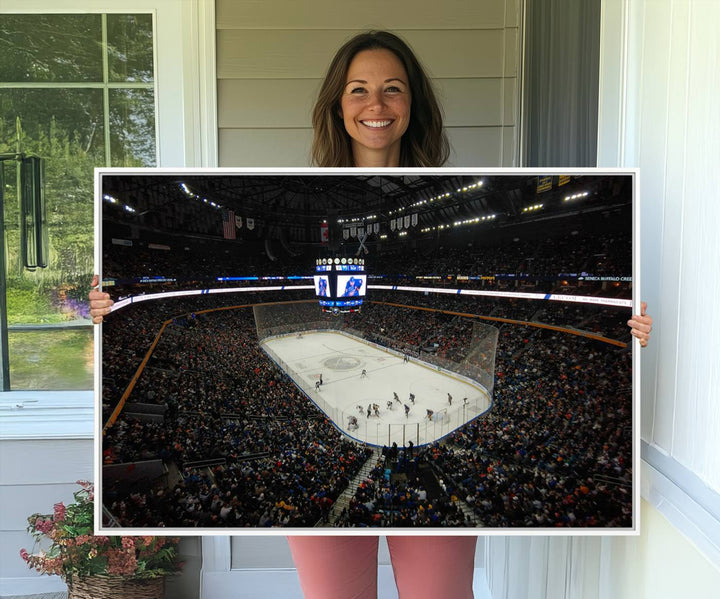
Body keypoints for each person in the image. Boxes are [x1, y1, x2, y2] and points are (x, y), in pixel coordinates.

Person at [88, 29, 654, 599]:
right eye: (358, 90)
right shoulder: (295, 188)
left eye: (393, 89)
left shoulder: (470, 184)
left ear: (413, 104)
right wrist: (105, 305)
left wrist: (632, 327)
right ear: (338, 105)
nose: (376, 105)